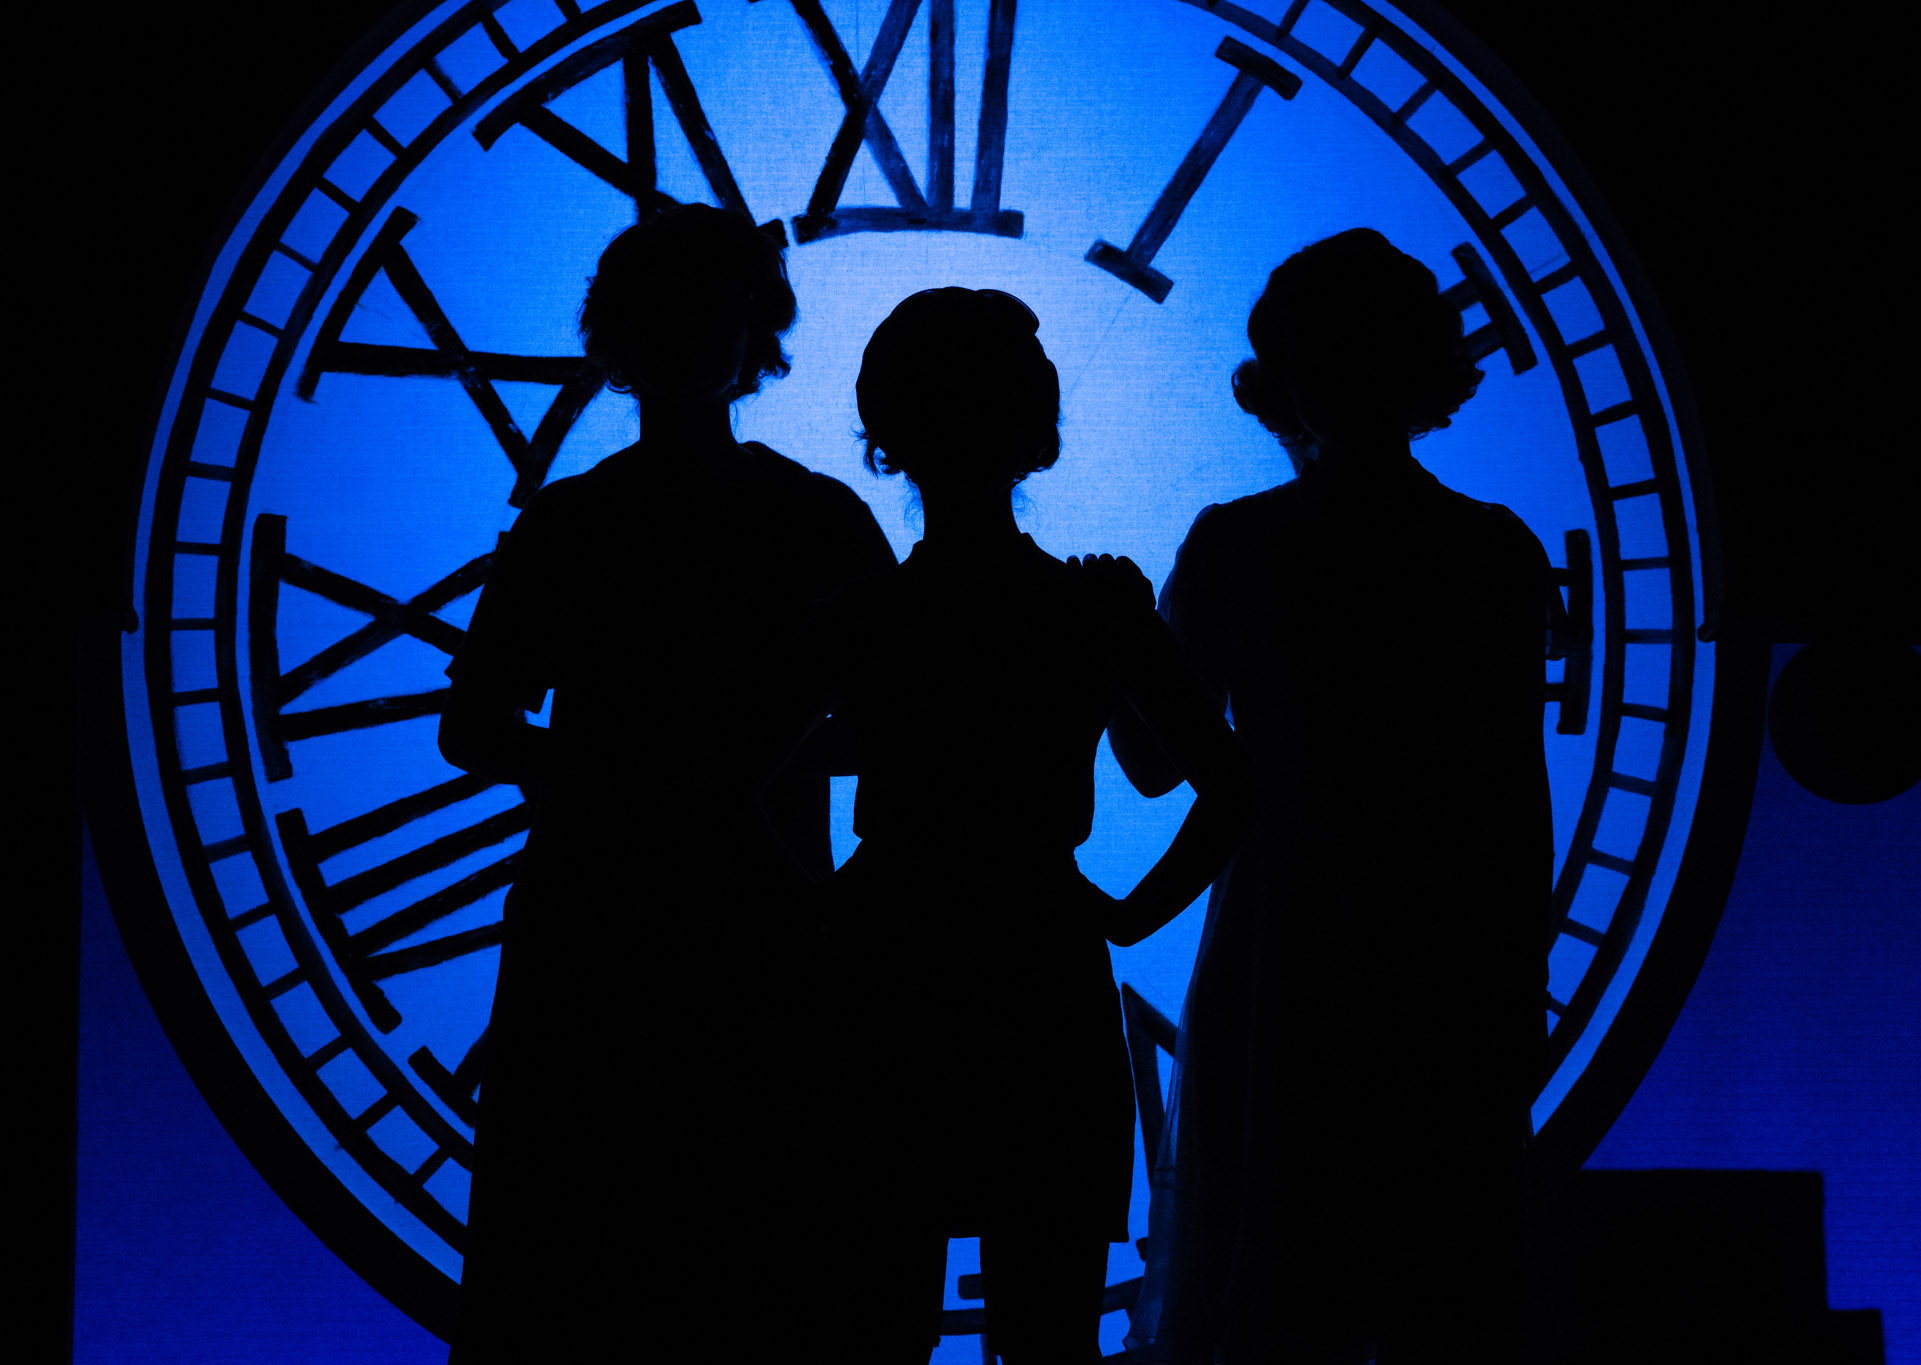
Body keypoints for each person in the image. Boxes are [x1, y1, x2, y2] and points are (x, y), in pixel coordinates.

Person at [437, 204, 896, 1361]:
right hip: (776, 934)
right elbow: (898, 729)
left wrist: (614, 777)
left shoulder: (569, 525)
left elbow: (475, 729)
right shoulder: (821, 521)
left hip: (593, 945)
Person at [781, 287, 1255, 1363]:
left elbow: (732, 777)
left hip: (885, 975)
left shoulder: (856, 622)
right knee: (1047, 1328)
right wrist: (1129, 915)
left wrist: (818, 917)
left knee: (869, 1311)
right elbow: (1229, 783)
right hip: (1042, 975)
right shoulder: (1092, 612)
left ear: (887, 439)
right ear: (1035, 430)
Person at [1116, 230, 1558, 1364]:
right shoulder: (1493, 552)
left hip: (1282, 947)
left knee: (1268, 1283)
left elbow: (1152, 762)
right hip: (1445, 954)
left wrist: (1119, 644)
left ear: (1284, 375)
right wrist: (1518, 986)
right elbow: (1513, 801)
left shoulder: (1237, 545)